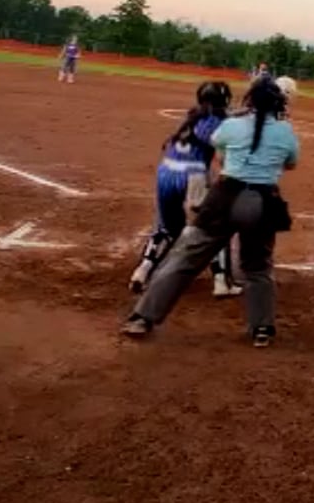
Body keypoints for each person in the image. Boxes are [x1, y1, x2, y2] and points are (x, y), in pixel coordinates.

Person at [123, 77, 299, 347]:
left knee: (185, 257)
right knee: (258, 267)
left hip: (225, 196)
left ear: (249, 100)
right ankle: (262, 329)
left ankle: (142, 317)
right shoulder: (285, 131)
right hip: (262, 201)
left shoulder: (232, 125)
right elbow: (290, 164)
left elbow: (220, 153)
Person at [127, 82, 242, 298]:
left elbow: (225, 118)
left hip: (166, 172)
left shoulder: (193, 116)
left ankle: (142, 271)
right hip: (192, 175)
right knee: (215, 227)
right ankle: (221, 282)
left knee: (168, 228)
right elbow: (223, 140)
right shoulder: (219, 122)